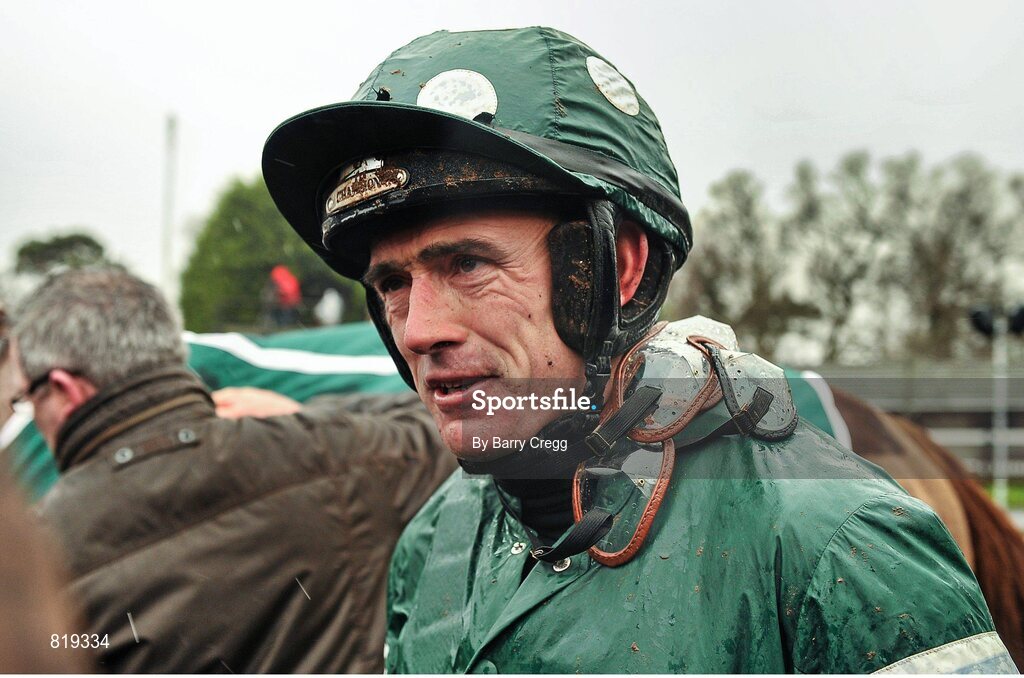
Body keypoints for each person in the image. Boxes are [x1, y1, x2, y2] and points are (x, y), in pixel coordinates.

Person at [262, 27, 1018, 673]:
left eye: (468, 265)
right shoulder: (434, 541)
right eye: (392, 282)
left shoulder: (843, 548)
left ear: (616, 270)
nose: (420, 327)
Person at [9, 268, 454, 673]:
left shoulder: (31, 556)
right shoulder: (332, 454)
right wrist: (308, 413)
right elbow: (456, 427)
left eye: (27, 399)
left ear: (65, 390)